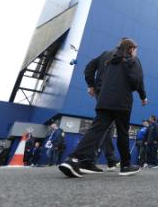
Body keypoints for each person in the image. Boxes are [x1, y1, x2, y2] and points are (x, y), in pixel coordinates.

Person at [59, 39, 147, 178]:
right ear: (131, 49)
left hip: (104, 99)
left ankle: (73, 159)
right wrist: (143, 96)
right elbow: (137, 81)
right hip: (122, 102)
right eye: (135, 50)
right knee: (122, 132)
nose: (136, 52)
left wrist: (91, 84)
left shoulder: (109, 59)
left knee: (96, 129)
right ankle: (125, 165)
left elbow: (89, 68)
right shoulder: (132, 61)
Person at [84, 43, 125, 172]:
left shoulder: (104, 54)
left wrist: (91, 85)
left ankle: (111, 159)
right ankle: (86, 159)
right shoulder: (123, 58)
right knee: (103, 124)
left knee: (107, 124)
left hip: (99, 90)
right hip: (111, 92)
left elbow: (89, 67)